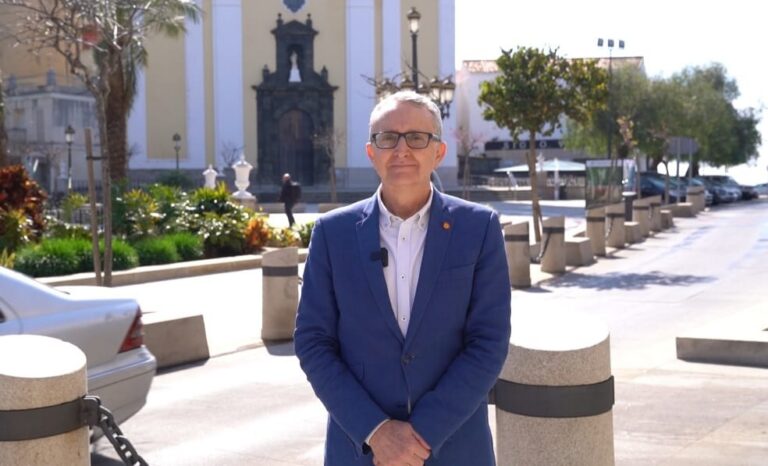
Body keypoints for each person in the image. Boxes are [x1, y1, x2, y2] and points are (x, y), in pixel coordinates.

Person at [295, 91, 511, 465]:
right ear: (371, 152)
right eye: (387, 137)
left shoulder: (479, 228)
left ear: (438, 152)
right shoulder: (333, 234)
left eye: (416, 137)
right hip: (361, 450)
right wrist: (377, 432)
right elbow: (314, 342)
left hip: (457, 448)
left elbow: (488, 343)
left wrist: (420, 436)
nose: (402, 149)